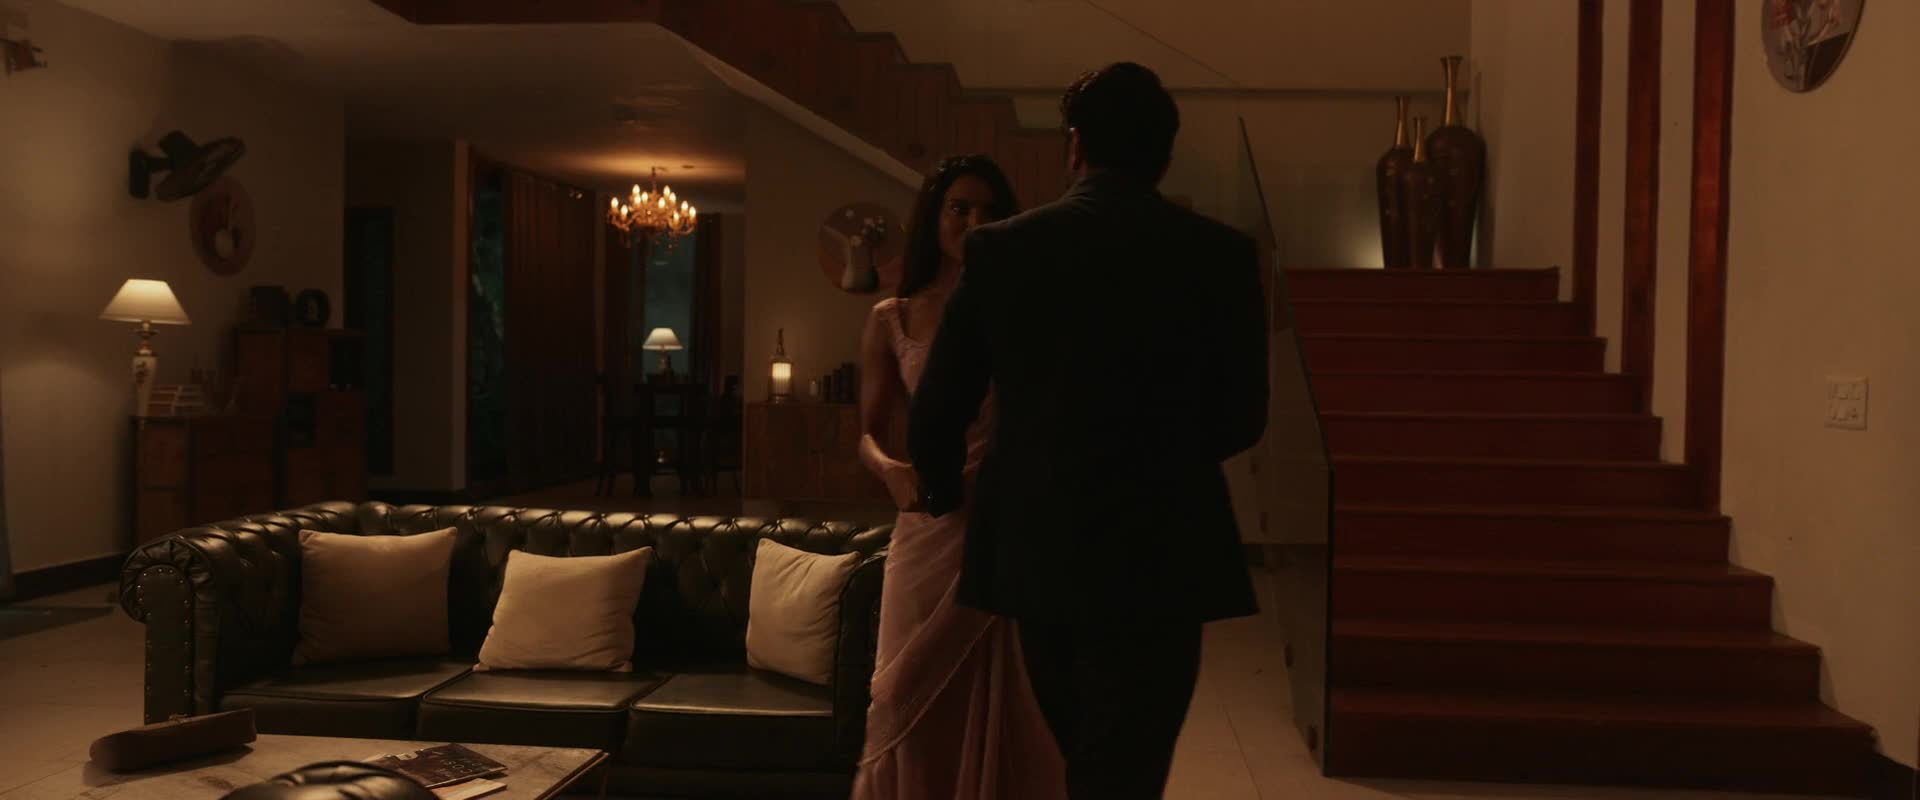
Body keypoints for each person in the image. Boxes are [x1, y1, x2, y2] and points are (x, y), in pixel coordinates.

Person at [906, 63, 1269, 798]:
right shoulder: (1221, 255)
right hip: (1166, 543)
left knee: (1078, 747)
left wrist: (946, 495)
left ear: (1075, 145)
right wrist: (1167, 455)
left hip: (1040, 543)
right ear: (1164, 154)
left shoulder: (1002, 250)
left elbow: (938, 408)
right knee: (1130, 759)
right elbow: (1243, 416)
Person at [850, 154, 1068, 799]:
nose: (974, 221)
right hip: (928, 519)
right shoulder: (892, 315)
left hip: (1003, 519)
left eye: (989, 211)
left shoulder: (1025, 310)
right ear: (934, 216)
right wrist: (891, 472)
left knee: (1003, 693)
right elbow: (866, 432)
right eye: (959, 207)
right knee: (899, 692)